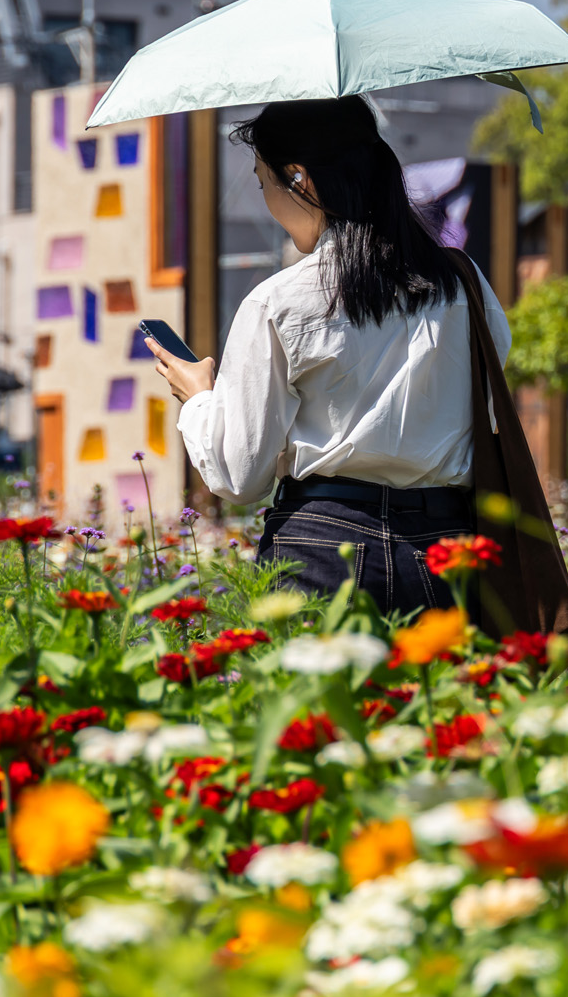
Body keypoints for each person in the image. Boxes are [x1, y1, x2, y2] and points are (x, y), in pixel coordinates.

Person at [145, 95, 511, 617]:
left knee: (315, 699)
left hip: (320, 542)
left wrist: (200, 399)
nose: (266, 195)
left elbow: (238, 477)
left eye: (262, 179)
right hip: (445, 545)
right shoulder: (462, 283)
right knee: (438, 699)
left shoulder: (279, 300)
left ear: (300, 179)